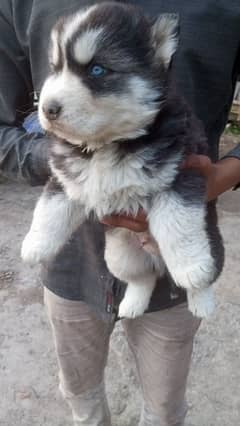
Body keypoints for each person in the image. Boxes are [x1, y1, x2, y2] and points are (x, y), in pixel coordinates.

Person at [0, 1, 240, 425]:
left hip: (174, 272)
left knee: (164, 409)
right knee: (81, 395)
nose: (54, 94)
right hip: (70, 270)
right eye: (57, 69)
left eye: (94, 72)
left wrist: (222, 175)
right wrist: (65, 164)